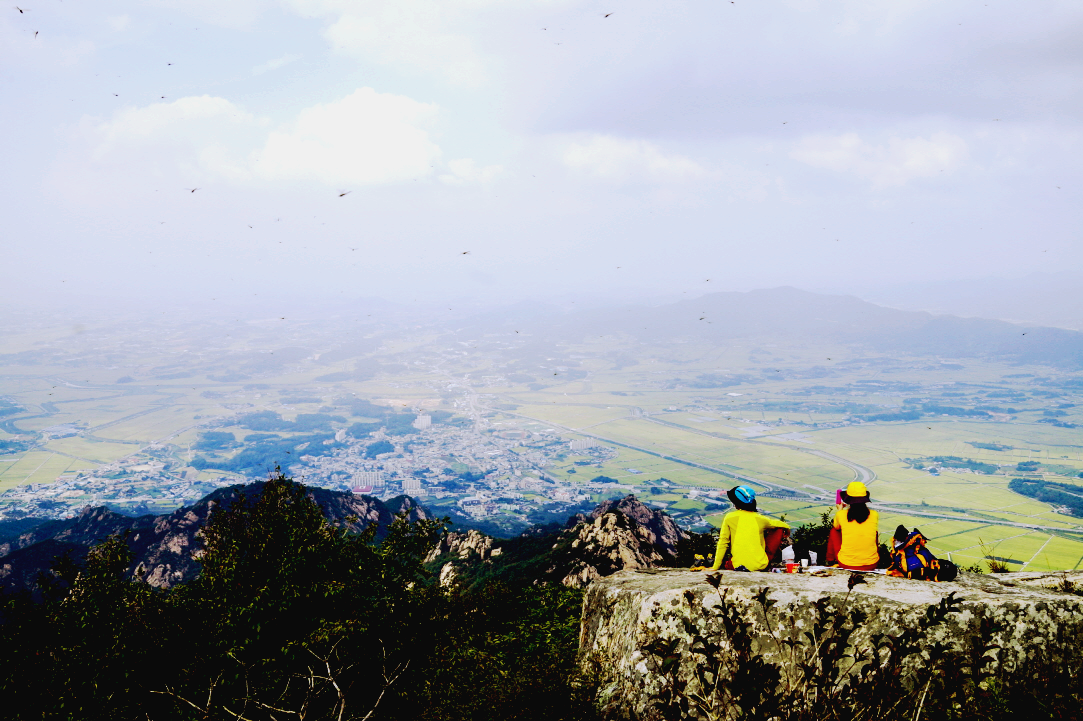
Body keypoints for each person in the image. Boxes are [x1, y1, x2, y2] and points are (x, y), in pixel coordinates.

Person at [707, 485, 790, 572]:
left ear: (736, 503)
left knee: (730, 560)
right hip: (760, 565)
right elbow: (779, 524)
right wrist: (787, 528)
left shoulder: (729, 517)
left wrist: (715, 567)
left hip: (737, 565)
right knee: (778, 529)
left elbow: (723, 542)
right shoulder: (760, 519)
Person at [826, 481, 879, 571]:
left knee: (834, 531)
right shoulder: (874, 514)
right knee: (874, 533)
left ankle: (830, 560)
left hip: (847, 564)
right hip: (871, 564)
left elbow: (836, 527)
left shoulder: (842, 514)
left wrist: (840, 510)